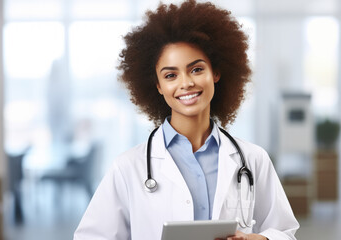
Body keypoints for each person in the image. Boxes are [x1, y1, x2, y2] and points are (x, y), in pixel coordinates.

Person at [74, 0, 299, 239]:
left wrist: (261, 239)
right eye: (171, 75)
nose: (186, 83)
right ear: (158, 86)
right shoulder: (128, 167)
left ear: (216, 72)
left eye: (196, 69)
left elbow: (285, 232)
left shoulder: (254, 160)